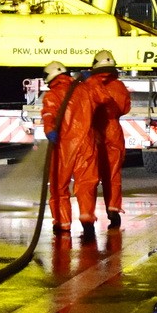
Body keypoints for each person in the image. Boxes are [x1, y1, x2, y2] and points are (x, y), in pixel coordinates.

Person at [41, 61, 100, 238]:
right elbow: (103, 100)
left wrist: (50, 131)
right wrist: (92, 82)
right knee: (87, 183)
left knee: (59, 186)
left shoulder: (52, 94)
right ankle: (87, 217)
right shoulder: (85, 89)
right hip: (87, 142)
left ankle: (63, 223)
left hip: (64, 145)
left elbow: (49, 115)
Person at [86, 50, 131, 228]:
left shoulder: (88, 85)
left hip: (93, 130)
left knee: (89, 175)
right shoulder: (119, 86)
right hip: (113, 130)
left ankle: (87, 214)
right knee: (112, 174)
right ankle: (113, 210)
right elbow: (125, 108)